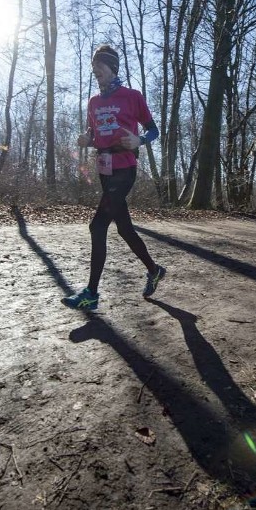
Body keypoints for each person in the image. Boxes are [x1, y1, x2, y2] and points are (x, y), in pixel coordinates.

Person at [62, 45, 166, 311]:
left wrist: (139, 140)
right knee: (124, 228)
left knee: (98, 226)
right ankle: (154, 270)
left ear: (113, 68)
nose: (95, 69)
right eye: (93, 66)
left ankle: (91, 293)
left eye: (100, 65)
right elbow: (94, 134)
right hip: (104, 168)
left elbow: (153, 130)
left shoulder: (132, 96)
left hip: (125, 167)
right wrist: (87, 139)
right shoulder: (93, 102)